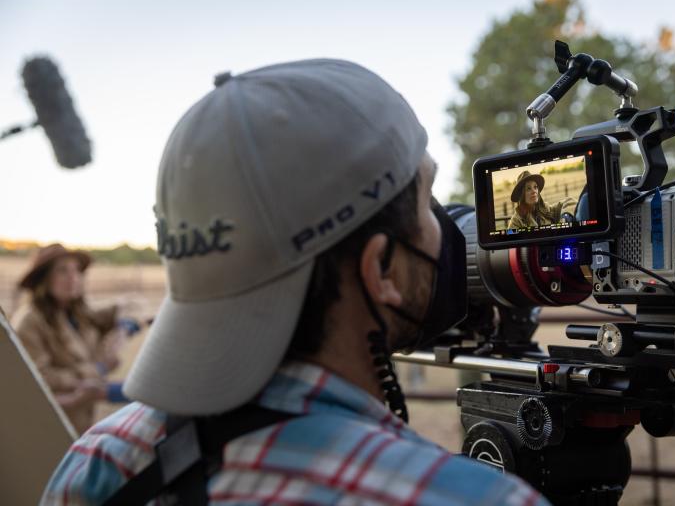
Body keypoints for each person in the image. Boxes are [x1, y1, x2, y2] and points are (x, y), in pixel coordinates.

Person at [43, 60, 548, 505]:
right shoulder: (471, 497)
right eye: (427, 201)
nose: (446, 226)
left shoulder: (95, 463)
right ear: (383, 270)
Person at [12, 244, 132, 434]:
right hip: (55, 426)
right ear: (43, 279)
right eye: (62, 271)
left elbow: (111, 316)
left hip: (85, 421)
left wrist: (126, 324)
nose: (73, 277)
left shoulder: (77, 313)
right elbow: (39, 378)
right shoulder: (29, 323)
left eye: (77, 270)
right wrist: (98, 369)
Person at [507, 170, 575, 230]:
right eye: (528, 188)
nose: (534, 191)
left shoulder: (546, 209)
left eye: (535, 187)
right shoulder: (516, 222)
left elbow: (570, 201)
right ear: (521, 195)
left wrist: (565, 217)